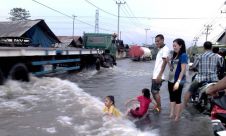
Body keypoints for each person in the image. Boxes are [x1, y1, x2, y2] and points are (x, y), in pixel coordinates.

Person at [183, 41, 223, 107]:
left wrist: (191, 67)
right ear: (211, 47)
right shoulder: (217, 57)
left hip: (200, 79)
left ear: (204, 48)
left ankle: (185, 105)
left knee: (190, 90)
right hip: (214, 79)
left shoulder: (199, 56)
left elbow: (194, 66)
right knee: (220, 90)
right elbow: (220, 66)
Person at [167, 38, 188, 121]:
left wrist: (178, 82)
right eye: (173, 46)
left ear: (180, 46)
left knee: (177, 98)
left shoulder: (183, 55)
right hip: (171, 79)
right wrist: (168, 62)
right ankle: (172, 113)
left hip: (178, 80)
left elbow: (183, 70)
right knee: (172, 97)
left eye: (175, 46)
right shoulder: (174, 55)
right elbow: (171, 68)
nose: (174, 47)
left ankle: (177, 116)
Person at [151, 34, 170, 111]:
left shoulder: (165, 49)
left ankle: (159, 107)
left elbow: (165, 62)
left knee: (155, 91)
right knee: (153, 91)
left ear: (162, 40)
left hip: (159, 75)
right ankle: (158, 105)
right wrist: (153, 75)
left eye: (158, 41)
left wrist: (160, 75)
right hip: (156, 75)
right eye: (155, 41)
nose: (156, 43)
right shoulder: (161, 49)